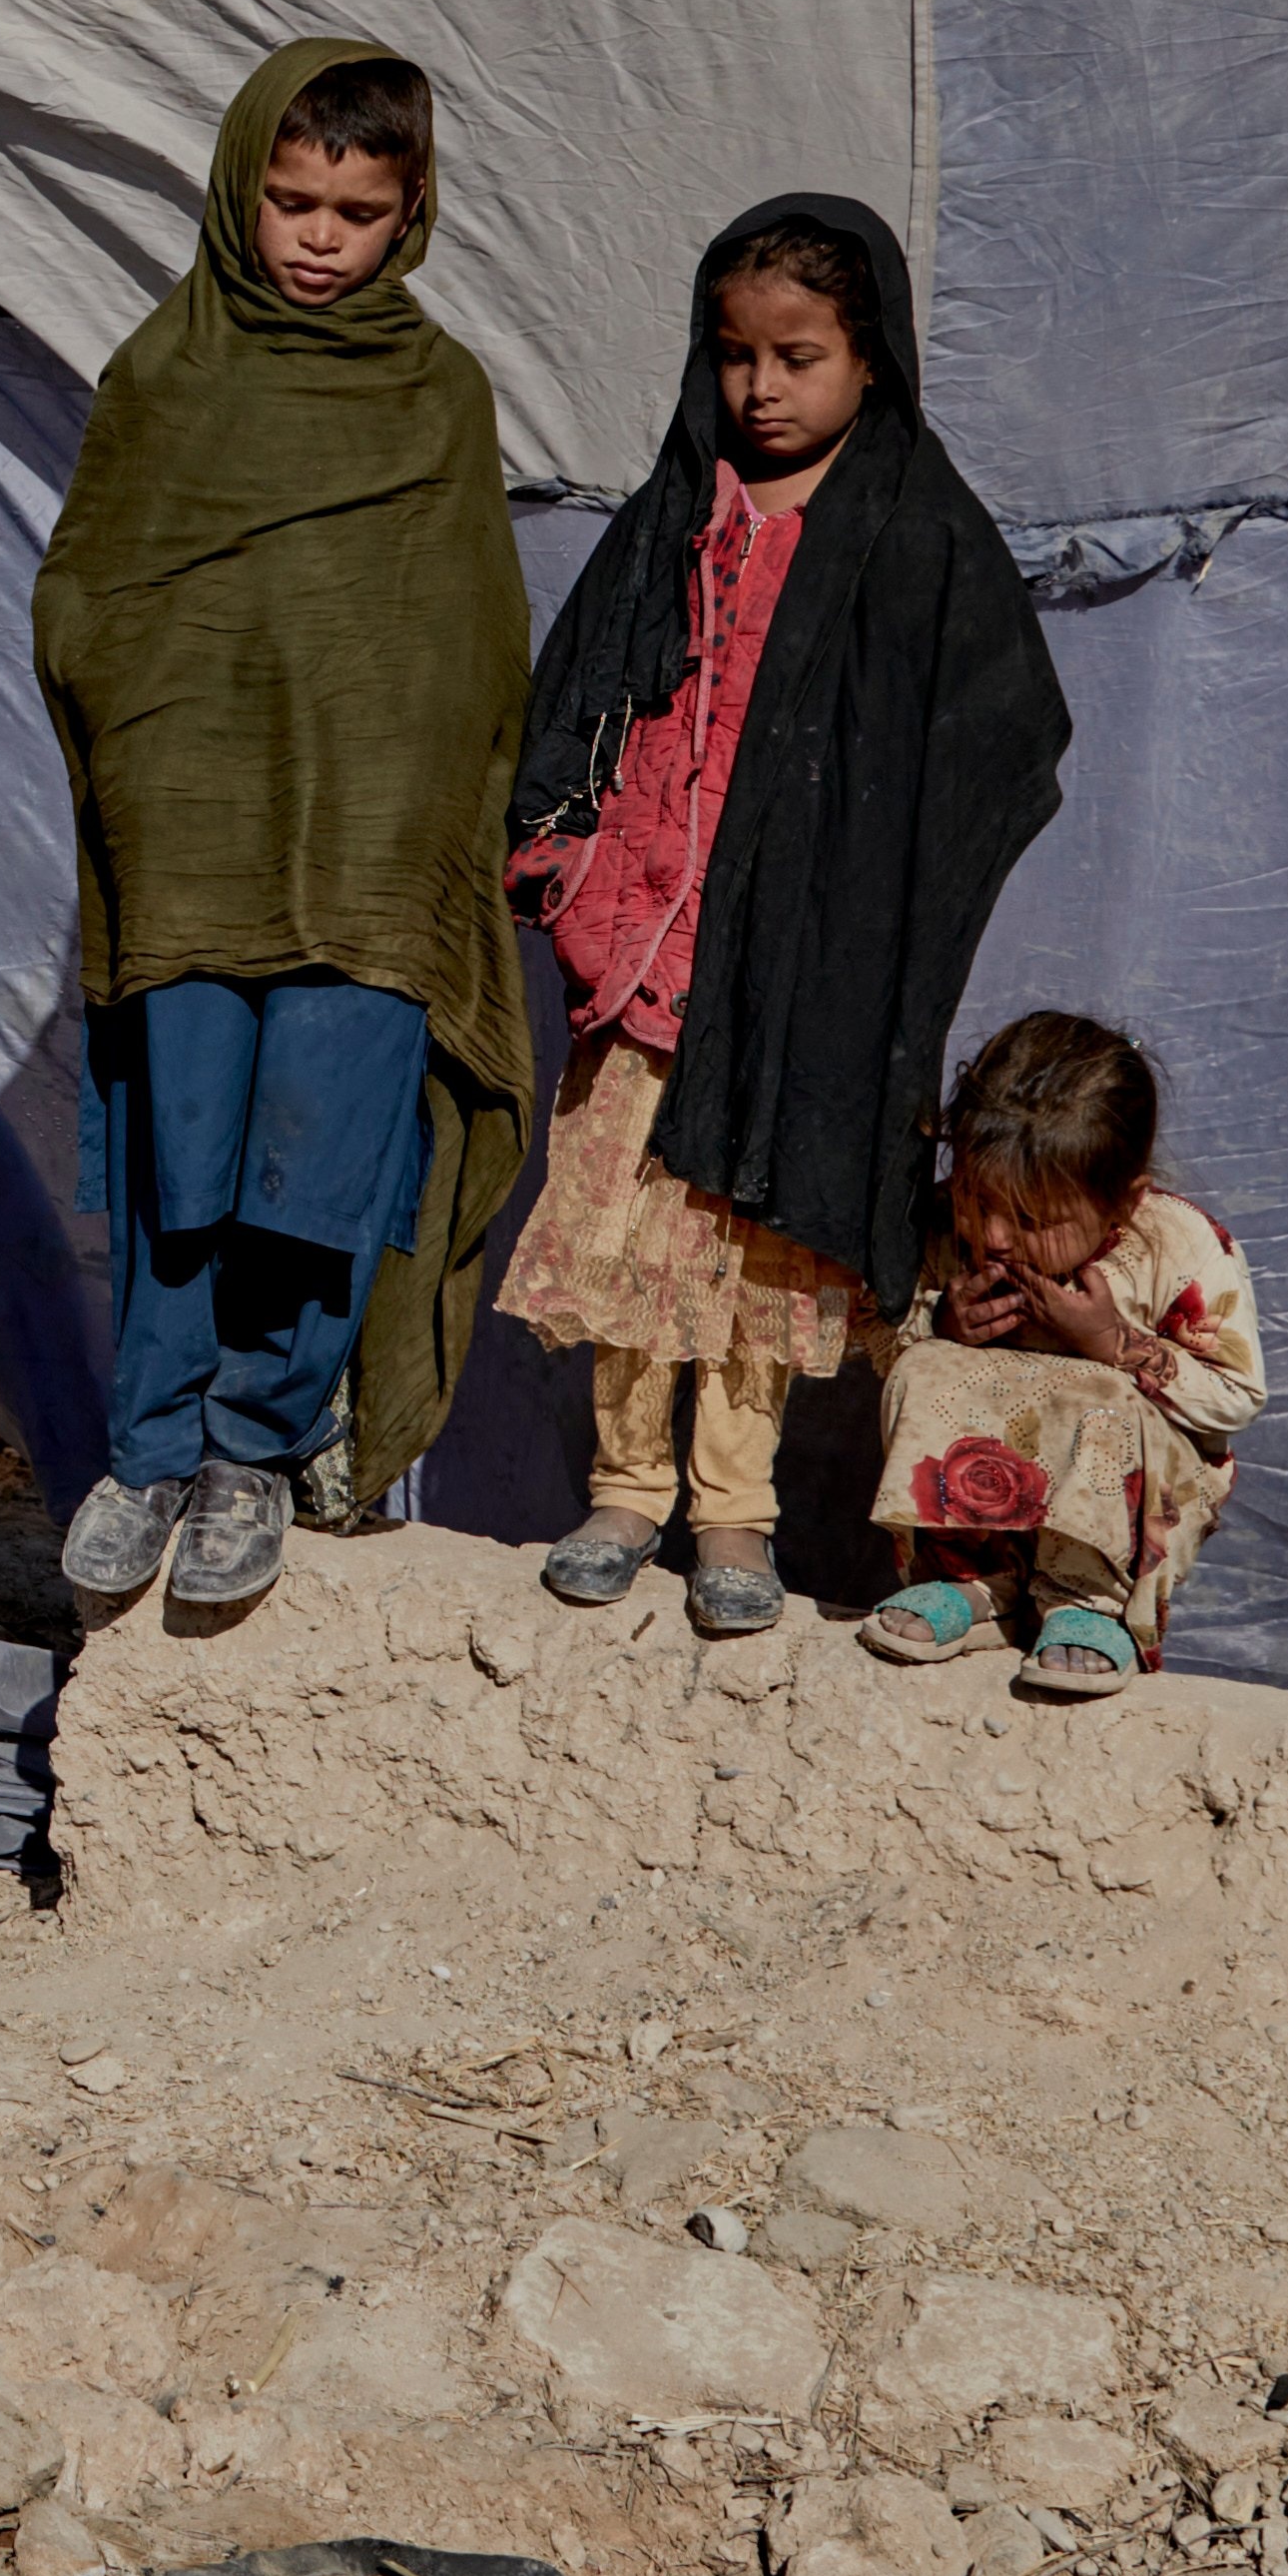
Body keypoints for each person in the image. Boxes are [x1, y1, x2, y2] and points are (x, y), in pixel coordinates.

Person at [498, 197, 1067, 1637]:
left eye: (798, 356)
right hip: (649, 947)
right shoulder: (677, 516)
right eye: (737, 354)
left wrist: (878, 904)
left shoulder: (916, 535)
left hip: (798, 975)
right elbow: (576, 702)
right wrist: (568, 868)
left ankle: (731, 1516)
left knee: (748, 1240)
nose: (762, 387)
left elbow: (1005, 739)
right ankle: (625, 1491)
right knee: (630, 1228)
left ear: (869, 358)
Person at [28, 40, 535, 1614]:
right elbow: (94, 596)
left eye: (360, 210)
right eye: (293, 198)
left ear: (413, 214)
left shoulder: (437, 396)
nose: (321, 237)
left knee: (318, 1157)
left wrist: (405, 801)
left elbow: (463, 642)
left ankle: (260, 1439)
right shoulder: (166, 375)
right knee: (182, 1156)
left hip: (372, 861)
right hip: (193, 838)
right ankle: (147, 1447)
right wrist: (167, 743)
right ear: (244, 180)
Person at [861, 1013, 1259, 1698]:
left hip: (1130, 1511)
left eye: (1034, 1222)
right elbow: (871, 1343)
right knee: (923, 1365)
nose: (994, 1237)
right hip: (982, 1528)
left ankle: (1085, 1605)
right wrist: (940, 1322)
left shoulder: (1180, 1245)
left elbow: (1236, 1397)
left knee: (1099, 1394)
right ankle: (972, 1585)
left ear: (1121, 1204)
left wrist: (1113, 1344)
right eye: (975, 1201)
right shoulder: (944, 1233)